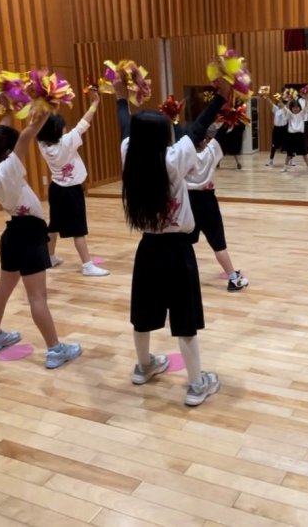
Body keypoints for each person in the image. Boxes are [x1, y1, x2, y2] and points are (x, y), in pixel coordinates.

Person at [117, 78, 228, 406]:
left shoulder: (129, 154)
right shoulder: (173, 159)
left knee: (143, 313)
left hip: (147, 249)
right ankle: (196, 385)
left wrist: (121, 98)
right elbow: (199, 128)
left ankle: (144, 366)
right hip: (177, 251)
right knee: (185, 319)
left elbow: (125, 125)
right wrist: (221, 97)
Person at [0, 111, 82, 369]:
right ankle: (55, 350)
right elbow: (26, 136)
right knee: (37, 297)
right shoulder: (8, 170)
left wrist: (7, 111)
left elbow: (4, 135)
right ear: (8, 151)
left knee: (3, 290)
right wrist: (44, 110)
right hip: (29, 236)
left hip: (13, 236)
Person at [36, 89, 109, 276]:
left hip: (56, 189)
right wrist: (95, 103)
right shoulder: (66, 142)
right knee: (78, 230)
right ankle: (87, 266)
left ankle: (49, 257)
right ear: (57, 131)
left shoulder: (42, 144)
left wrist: (45, 102)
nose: (65, 129)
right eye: (62, 127)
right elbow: (84, 123)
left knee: (54, 224)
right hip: (71, 191)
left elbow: (36, 123)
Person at [187, 126, 248, 292]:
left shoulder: (180, 158)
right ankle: (233, 279)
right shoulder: (208, 154)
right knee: (218, 243)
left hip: (188, 202)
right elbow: (222, 135)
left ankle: (180, 277)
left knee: (184, 243)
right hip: (207, 203)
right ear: (203, 140)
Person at [281, 99, 308, 172]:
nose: (296, 109)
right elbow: (284, 108)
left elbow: (305, 108)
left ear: (299, 108)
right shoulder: (290, 114)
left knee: (304, 153)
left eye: (297, 107)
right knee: (289, 153)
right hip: (291, 136)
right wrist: (283, 100)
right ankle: (285, 167)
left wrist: (307, 99)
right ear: (291, 108)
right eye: (294, 107)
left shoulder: (301, 114)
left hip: (300, 136)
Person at [264, 93, 289, 167]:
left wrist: (283, 99)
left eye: (280, 103)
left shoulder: (285, 109)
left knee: (288, 145)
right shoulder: (276, 109)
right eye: (278, 103)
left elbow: (286, 104)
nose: (279, 104)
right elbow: (271, 103)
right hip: (276, 129)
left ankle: (291, 160)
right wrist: (267, 98)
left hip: (284, 129)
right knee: (274, 145)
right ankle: (271, 161)